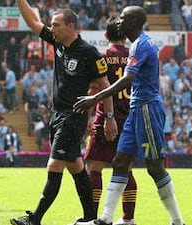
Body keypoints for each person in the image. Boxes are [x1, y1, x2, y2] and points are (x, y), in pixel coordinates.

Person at [73, 6, 186, 225]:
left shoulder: (141, 45)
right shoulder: (137, 45)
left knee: (155, 167)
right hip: (135, 110)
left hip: (147, 109)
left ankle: (178, 221)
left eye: (122, 18)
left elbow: (127, 80)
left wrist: (94, 99)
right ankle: (106, 219)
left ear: (133, 21)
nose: (118, 22)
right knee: (120, 161)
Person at [11, 1, 118, 225]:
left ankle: (35, 219)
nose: (52, 29)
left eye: (56, 25)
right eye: (52, 25)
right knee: (75, 166)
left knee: (54, 164)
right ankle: (90, 218)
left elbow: (105, 86)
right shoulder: (58, 42)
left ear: (71, 26)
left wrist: (108, 118)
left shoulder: (89, 53)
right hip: (57, 114)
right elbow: (33, 20)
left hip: (73, 116)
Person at [81, 16, 137, 225]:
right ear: (125, 35)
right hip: (130, 121)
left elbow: (94, 89)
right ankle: (128, 218)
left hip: (105, 118)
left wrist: (88, 118)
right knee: (126, 170)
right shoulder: (134, 57)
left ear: (106, 36)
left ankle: (92, 217)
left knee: (94, 168)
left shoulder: (102, 56)